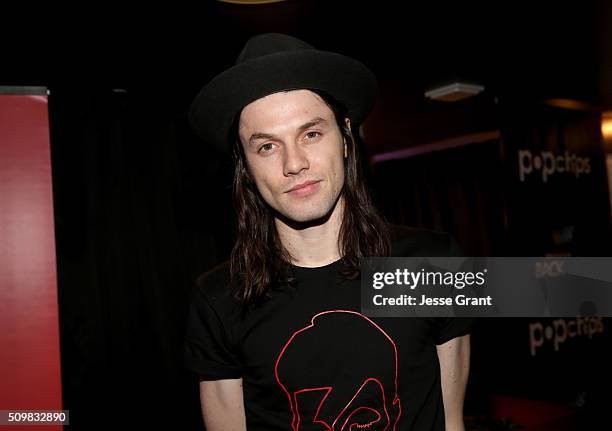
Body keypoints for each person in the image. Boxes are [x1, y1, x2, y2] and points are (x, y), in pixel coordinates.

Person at [184, 33, 472, 431]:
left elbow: (451, 422)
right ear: (245, 166)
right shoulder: (220, 298)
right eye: (267, 146)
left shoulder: (431, 265)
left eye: (311, 134)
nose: (294, 163)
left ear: (346, 136)